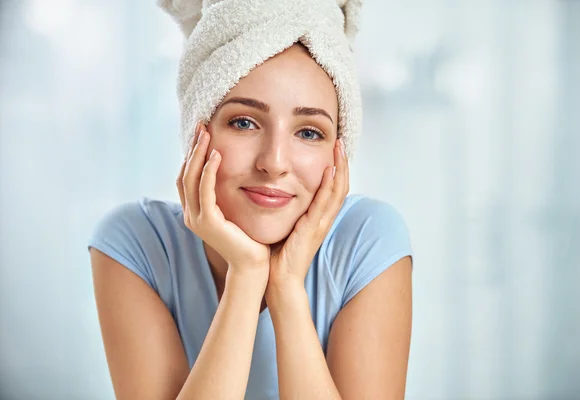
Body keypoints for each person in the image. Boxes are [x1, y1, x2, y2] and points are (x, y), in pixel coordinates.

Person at [88, 0, 413, 399]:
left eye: (309, 132)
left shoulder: (367, 240)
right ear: (197, 132)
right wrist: (246, 276)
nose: (274, 163)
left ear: (338, 152)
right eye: (244, 122)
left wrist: (287, 287)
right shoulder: (136, 244)